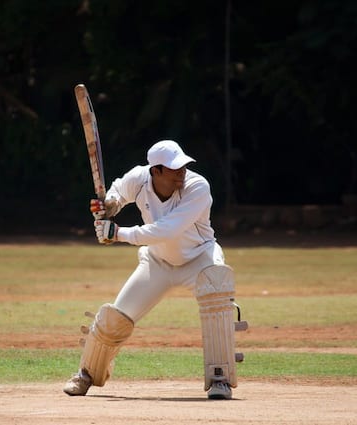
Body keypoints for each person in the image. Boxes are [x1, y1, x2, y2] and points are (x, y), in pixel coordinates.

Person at [63, 140, 245, 400]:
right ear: (156, 170)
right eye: (174, 168)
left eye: (183, 165)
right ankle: (87, 374)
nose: (181, 172)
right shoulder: (138, 178)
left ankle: (221, 379)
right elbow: (117, 191)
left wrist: (117, 233)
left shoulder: (197, 187)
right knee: (116, 316)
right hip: (158, 262)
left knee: (217, 289)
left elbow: (167, 229)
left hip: (199, 257)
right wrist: (110, 204)